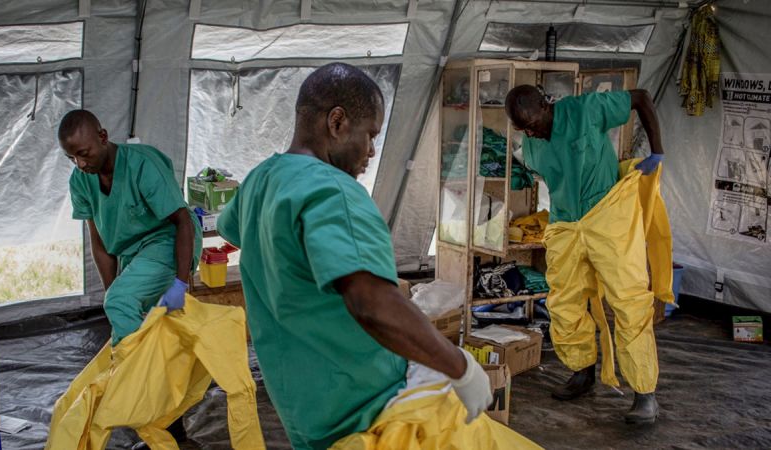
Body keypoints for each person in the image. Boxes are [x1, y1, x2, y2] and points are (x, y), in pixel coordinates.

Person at [217, 63, 492, 449]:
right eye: (370, 135)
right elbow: (371, 305)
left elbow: (242, 232)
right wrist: (460, 367)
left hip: (306, 410)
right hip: (369, 409)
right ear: (337, 122)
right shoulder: (334, 192)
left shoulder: (261, 180)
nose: (372, 151)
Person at [504, 85, 666, 424]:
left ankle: (644, 393)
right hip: (565, 223)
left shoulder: (585, 110)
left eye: (534, 124)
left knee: (629, 300)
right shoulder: (532, 142)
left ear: (547, 105)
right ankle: (581, 371)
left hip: (607, 215)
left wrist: (658, 151)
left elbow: (640, 97)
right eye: (525, 129)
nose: (532, 132)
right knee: (563, 302)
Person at [58, 110, 202, 448]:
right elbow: (101, 240)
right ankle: (170, 428)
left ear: (104, 137)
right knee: (155, 335)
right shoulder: (81, 181)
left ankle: (140, 398)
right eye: (71, 157)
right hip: (134, 256)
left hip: (169, 244)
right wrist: (115, 292)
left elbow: (182, 220)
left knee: (131, 325)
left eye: (84, 153)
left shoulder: (142, 165)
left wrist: (182, 282)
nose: (80, 164)